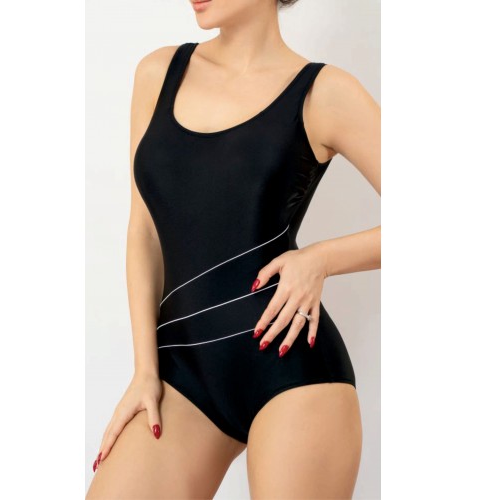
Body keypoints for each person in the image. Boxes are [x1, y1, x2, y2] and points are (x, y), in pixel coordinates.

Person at [86, 0, 380, 498]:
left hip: (293, 371)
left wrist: (321, 259)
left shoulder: (324, 92)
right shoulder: (158, 73)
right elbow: (144, 232)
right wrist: (145, 370)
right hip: (181, 374)